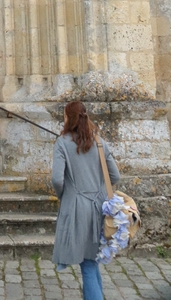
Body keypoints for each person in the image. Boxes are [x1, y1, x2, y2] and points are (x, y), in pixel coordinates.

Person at [52, 100, 120, 300]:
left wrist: (64, 194)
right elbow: (115, 176)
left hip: (76, 207)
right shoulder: (99, 142)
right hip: (100, 207)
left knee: (89, 265)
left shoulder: (62, 143)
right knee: (92, 261)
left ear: (68, 118)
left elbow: (57, 178)